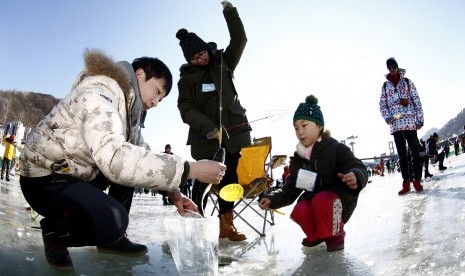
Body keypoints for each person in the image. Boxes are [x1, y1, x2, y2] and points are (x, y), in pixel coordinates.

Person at [18, 50, 226, 271]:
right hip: (44, 177)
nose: (156, 103)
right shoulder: (102, 90)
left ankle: (113, 239)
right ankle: (55, 233)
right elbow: (115, 158)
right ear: (139, 75)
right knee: (114, 219)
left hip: (73, 175)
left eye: (161, 99)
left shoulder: (128, 117)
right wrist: (189, 169)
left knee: (133, 161)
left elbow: (141, 154)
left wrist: (175, 192)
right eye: (156, 91)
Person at [176, 1, 251, 241]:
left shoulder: (223, 62)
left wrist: (230, 13)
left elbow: (240, 40)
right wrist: (208, 127)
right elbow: (185, 108)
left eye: (202, 54)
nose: (201, 59)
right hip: (205, 138)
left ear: (207, 49)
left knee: (230, 180)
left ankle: (225, 225)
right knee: (203, 181)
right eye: (195, 58)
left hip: (234, 135)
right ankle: (197, 225)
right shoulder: (186, 80)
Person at [258, 95, 368, 251]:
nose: (300, 132)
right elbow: (291, 189)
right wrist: (271, 199)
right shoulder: (298, 160)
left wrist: (356, 176)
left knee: (321, 200)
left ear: (319, 126)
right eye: (296, 128)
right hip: (316, 201)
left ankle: (335, 234)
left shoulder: (336, 148)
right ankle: (316, 236)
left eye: (304, 125)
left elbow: (357, 166)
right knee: (300, 209)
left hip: (339, 201)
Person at [379, 57, 424, 195]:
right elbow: (382, 104)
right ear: (388, 69)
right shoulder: (385, 86)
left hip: (410, 122)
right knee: (402, 156)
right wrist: (388, 118)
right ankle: (406, 182)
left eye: (394, 66)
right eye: (389, 67)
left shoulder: (407, 82)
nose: (392, 69)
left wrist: (420, 119)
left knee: (415, 152)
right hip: (396, 125)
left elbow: (416, 100)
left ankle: (417, 180)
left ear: (397, 67)